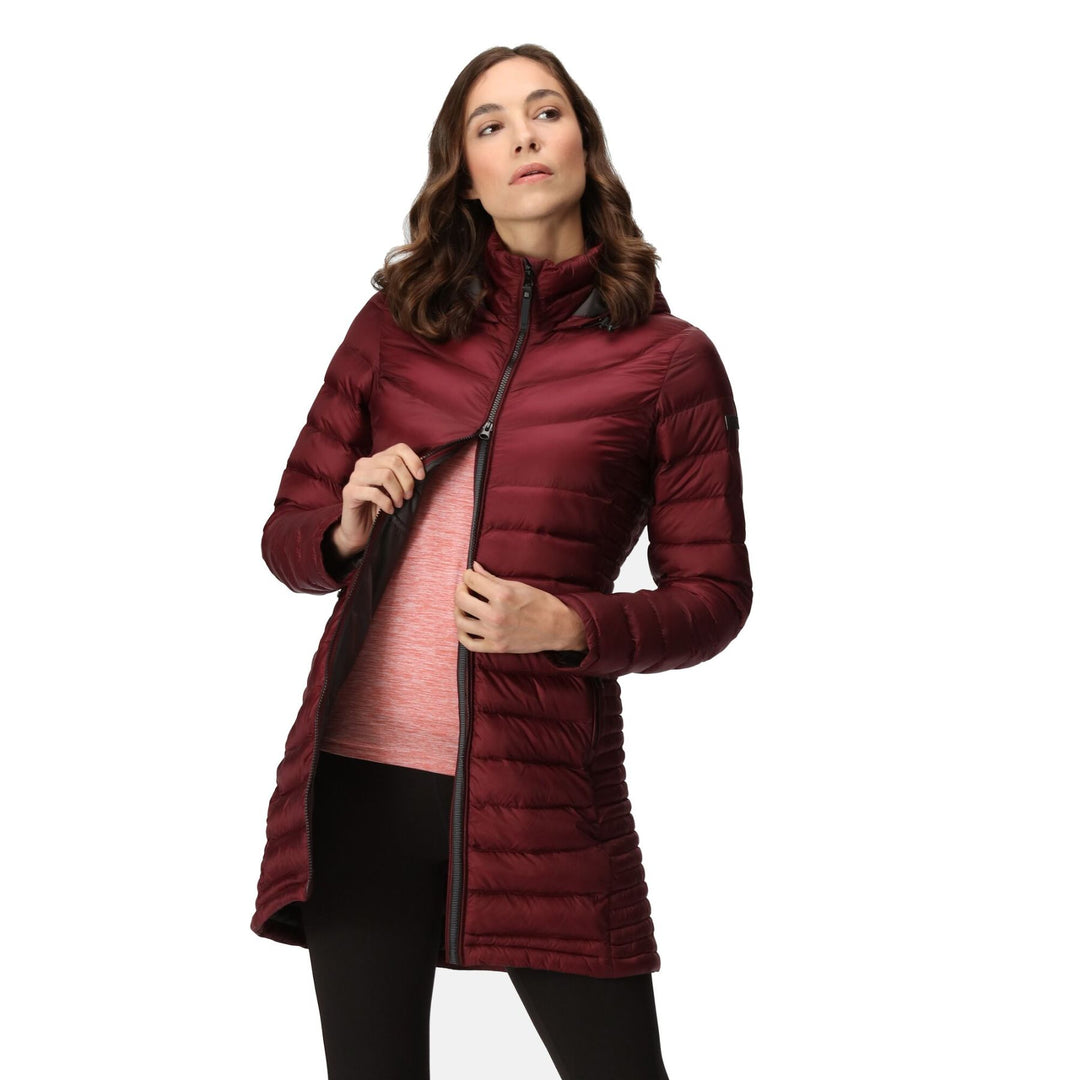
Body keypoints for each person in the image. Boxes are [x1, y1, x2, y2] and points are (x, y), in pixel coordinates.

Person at [250, 42, 752, 1080]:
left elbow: (714, 596)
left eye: (545, 112)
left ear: (585, 146)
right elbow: (286, 539)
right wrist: (344, 528)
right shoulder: (394, 329)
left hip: (541, 794)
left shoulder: (669, 363)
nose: (523, 135)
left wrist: (569, 625)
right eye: (491, 125)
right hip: (356, 786)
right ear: (467, 177)